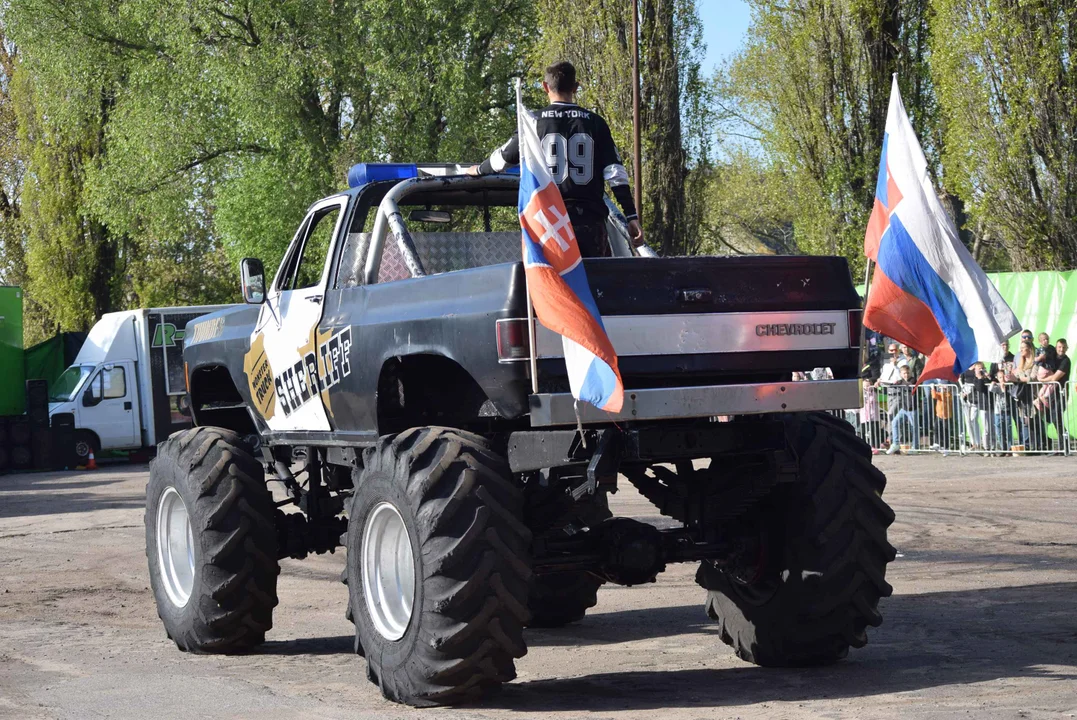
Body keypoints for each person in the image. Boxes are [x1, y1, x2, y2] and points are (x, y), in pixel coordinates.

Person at [467, 61, 643, 257]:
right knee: (594, 283)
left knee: (554, 284)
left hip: (548, 221)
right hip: (589, 222)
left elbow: (504, 158)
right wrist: (631, 215)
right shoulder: (596, 123)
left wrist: (479, 169)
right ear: (576, 87)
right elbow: (615, 173)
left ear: (545, 87)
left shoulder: (534, 123)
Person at [886, 365, 919, 454]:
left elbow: (909, 385)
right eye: (904, 373)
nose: (906, 375)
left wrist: (899, 384)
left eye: (908, 373)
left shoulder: (913, 380)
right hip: (904, 408)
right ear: (901, 374)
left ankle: (915, 446)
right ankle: (896, 443)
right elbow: (892, 385)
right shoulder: (900, 381)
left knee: (914, 427)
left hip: (912, 408)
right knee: (894, 422)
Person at [960, 362, 991, 452]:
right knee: (968, 421)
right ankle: (973, 442)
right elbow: (961, 381)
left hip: (975, 397)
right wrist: (962, 391)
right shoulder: (964, 368)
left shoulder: (978, 366)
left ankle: (977, 443)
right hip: (966, 396)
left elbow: (978, 382)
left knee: (973, 419)